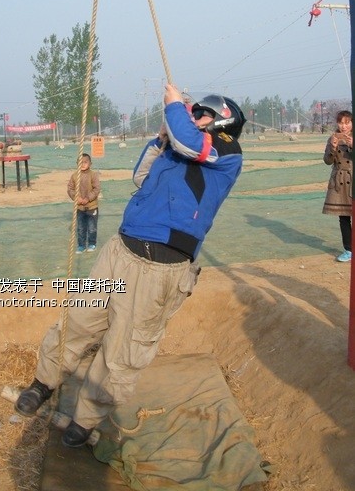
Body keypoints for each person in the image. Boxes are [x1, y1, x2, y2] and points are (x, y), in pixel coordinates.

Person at [15, 83, 245, 448]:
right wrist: (160, 138)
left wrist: (173, 108)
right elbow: (141, 177)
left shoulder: (226, 152)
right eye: (191, 111)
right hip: (120, 250)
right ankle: (43, 382)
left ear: (222, 122)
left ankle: (86, 419)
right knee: (79, 319)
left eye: (200, 113)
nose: (192, 116)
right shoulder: (177, 151)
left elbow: (191, 142)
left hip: (162, 268)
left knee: (123, 350)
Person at [322, 109, 353, 262]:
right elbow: (327, 161)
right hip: (340, 182)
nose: (343, 126)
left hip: (353, 179)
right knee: (344, 217)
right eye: (341, 123)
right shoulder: (332, 138)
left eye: (347, 123)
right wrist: (333, 147)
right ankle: (349, 250)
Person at [67, 153, 101, 254]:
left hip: (92, 206)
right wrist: (76, 198)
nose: (82, 164)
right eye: (80, 162)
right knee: (81, 227)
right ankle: (81, 245)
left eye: (85, 162)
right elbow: (70, 189)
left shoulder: (93, 175)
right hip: (80, 207)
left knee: (92, 227)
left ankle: (92, 243)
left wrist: (88, 198)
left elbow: (97, 188)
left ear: (90, 163)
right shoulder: (74, 176)